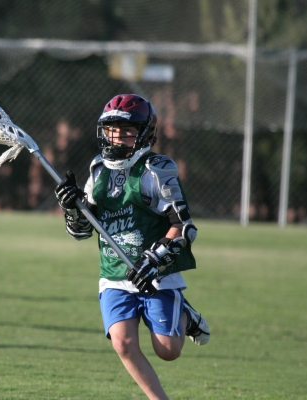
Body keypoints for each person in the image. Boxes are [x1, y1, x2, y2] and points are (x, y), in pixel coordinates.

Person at [55, 94, 209, 399]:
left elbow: (183, 228)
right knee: (123, 343)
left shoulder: (156, 170)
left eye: (126, 130)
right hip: (114, 273)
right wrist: (72, 207)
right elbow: (82, 231)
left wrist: (153, 261)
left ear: (145, 133)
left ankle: (185, 315)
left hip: (155, 274)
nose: (117, 137)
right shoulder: (98, 169)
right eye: (111, 130)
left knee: (168, 350)